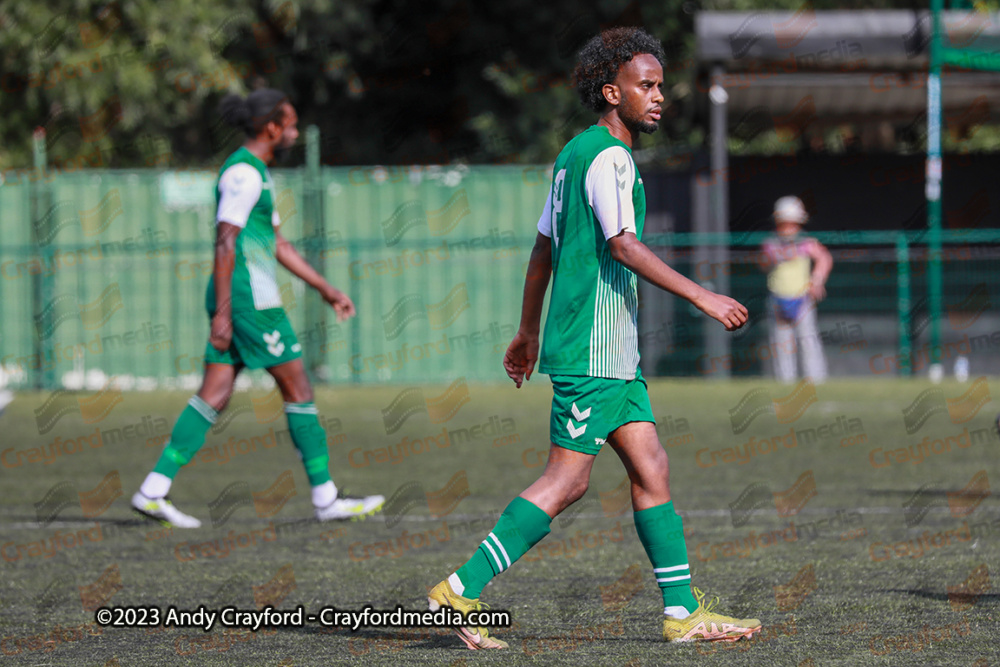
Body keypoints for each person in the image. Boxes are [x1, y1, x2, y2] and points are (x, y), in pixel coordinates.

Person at [428, 28, 760, 648]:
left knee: (651, 465)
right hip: (594, 348)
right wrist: (702, 295)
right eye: (646, 86)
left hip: (612, 354)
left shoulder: (572, 154)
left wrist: (527, 332)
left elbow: (542, 250)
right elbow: (623, 245)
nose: (659, 96)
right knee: (567, 480)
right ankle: (458, 591)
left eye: (661, 85)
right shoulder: (610, 156)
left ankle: (682, 612)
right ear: (612, 92)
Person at [131, 89, 383, 527]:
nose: (294, 132)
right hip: (250, 300)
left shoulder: (256, 174)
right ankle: (326, 499)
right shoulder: (244, 175)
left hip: (242, 296)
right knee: (299, 388)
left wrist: (325, 288)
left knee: (214, 393)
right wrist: (225, 312)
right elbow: (226, 240)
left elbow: (278, 244)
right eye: (290, 124)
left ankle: (153, 490)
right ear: (272, 126)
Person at [759, 196, 833, 383]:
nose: (789, 228)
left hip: (803, 298)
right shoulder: (771, 243)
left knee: (808, 341)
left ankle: (816, 380)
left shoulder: (806, 242)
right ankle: (786, 381)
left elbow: (824, 258)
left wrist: (816, 281)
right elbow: (762, 263)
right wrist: (776, 257)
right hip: (777, 298)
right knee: (782, 343)